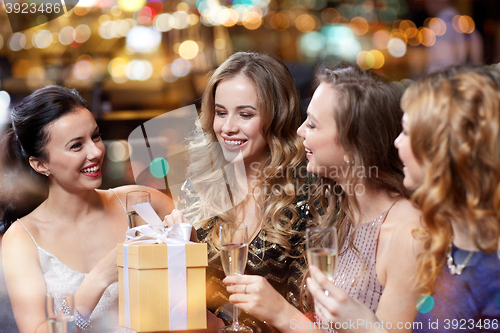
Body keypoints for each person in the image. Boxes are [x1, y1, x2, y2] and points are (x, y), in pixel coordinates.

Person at [0, 85, 175, 333]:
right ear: (40, 164)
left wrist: (185, 238)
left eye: (96, 136)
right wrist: (100, 277)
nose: (95, 152)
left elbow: (202, 284)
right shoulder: (22, 240)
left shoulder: (141, 203)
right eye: (76, 146)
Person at [169, 52, 323, 333]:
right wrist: (182, 255)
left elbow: (315, 319)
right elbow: (192, 307)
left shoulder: (310, 199)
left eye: (245, 114)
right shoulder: (197, 189)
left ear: (277, 116)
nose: (227, 128)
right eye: (221, 112)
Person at [300, 63, 424, 332]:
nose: (300, 131)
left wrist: (279, 314)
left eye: (311, 124)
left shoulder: (408, 232)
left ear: (352, 146)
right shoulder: (341, 211)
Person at [394, 69, 500, 331]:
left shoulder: (494, 271)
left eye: (406, 132)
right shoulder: (446, 242)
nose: (396, 142)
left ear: (440, 150)